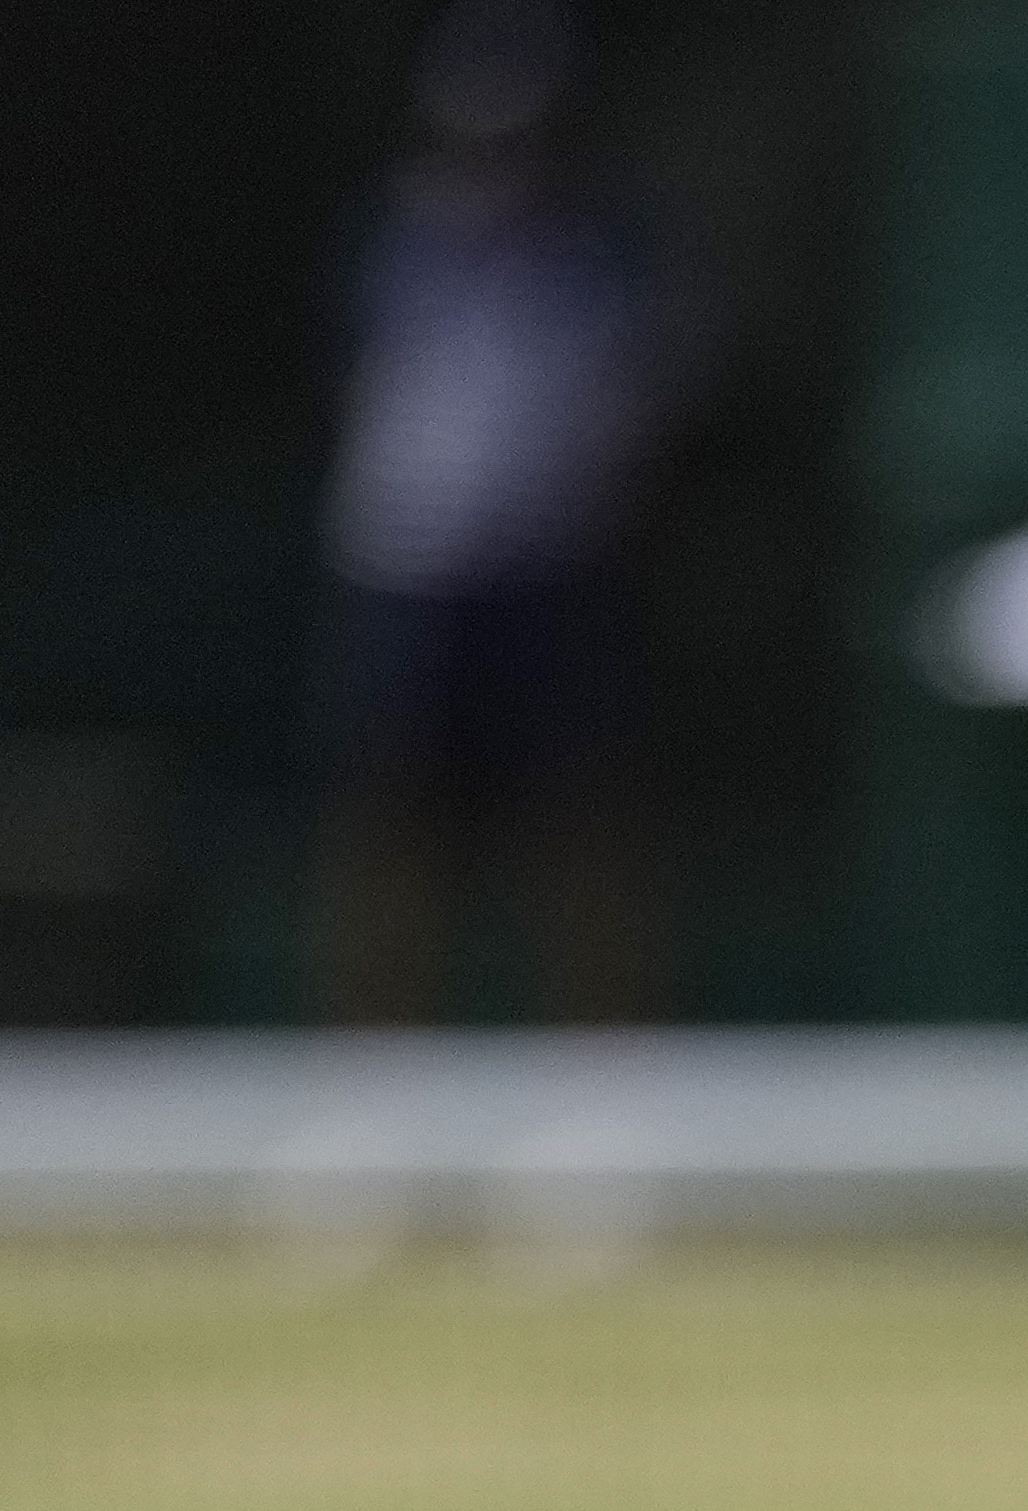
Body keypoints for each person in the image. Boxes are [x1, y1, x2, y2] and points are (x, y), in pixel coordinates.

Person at [309, 0, 670, 1030]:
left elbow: (643, 402)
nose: (499, 163)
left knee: (580, 830)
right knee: (386, 831)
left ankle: (605, 1096)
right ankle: (366, 1091)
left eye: (523, 137)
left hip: (553, 573)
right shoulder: (390, 243)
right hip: (407, 573)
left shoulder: (604, 256)